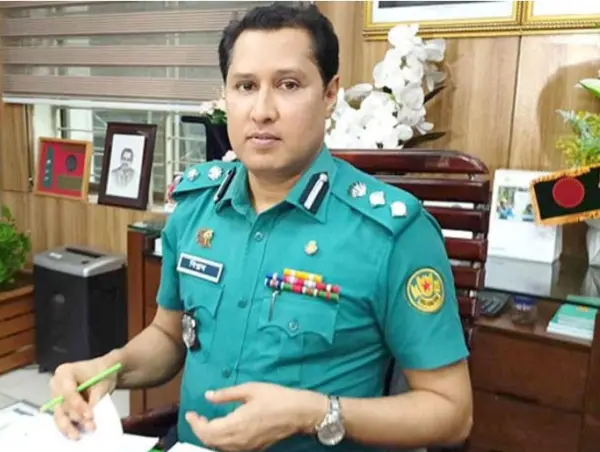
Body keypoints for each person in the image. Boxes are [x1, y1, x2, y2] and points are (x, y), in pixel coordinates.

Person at [49, 3, 472, 451]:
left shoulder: (392, 233)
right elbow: (168, 336)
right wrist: (109, 368)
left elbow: (451, 412)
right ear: (225, 96)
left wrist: (311, 414)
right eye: (246, 86)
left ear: (330, 94)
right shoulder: (196, 206)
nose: (262, 110)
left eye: (289, 85)